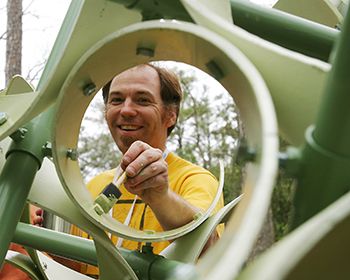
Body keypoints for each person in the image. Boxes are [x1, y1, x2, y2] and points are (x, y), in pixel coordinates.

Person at [71, 63, 224, 275]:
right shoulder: (93, 186)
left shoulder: (194, 179)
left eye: (143, 100)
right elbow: (73, 267)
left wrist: (161, 197)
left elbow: (211, 251)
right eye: (116, 100)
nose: (126, 110)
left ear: (171, 115)